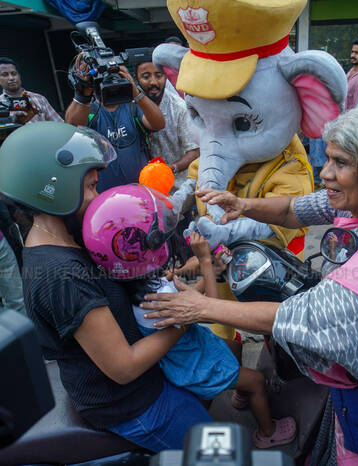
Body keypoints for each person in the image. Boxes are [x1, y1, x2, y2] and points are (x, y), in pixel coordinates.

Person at [141, 107, 358, 465]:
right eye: (328, 158)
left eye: (340, 162)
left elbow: (303, 317)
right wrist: (242, 204)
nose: (326, 173)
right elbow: (293, 209)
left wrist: (202, 308)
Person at [0, 121, 211, 452]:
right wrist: (184, 319)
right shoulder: (63, 275)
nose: (98, 197)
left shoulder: (70, 237)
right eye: (90, 187)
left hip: (145, 381)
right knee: (217, 448)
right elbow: (124, 367)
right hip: (130, 404)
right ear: (52, 190)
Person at [82, 185, 296, 448]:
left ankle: (241, 392)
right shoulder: (159, 298)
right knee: (258, 381)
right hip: (196, 363)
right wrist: (205, 262)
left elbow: (187, 298)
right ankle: (267, 432)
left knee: (235, 347)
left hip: (189, 347)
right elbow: (214, 310)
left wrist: (210, 270)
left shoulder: (136, 284)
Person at [65, 55, 165, 193]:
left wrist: (135, 92)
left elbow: (159, 124)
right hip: (105, 197)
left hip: (141, 193)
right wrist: (84, 92)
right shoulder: (90, 111)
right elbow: (72, 128)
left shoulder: (132, 107)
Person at [135, 57, 199, 189]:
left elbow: (194, 151)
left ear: (165, 77)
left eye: (159, 76)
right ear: (136, 79)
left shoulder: (180, 108)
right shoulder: (130, 106)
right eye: (146, 77)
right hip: (144, 188)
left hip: (177, 189)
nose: (154, 82)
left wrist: (172, 168)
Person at [0, 57, 63, 124]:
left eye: (14, 73)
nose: (11, 78)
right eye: (5, 75)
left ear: (19, 75)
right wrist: (13, 120)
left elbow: (60, 125)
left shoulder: (39, 99)